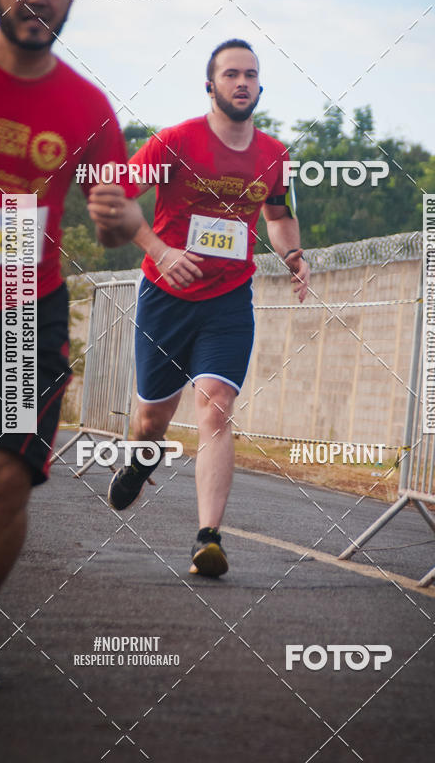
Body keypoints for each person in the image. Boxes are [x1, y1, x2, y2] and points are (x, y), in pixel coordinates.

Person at [0, 0, 142, 688]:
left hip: (27, 312)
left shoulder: (86, 105)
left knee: (10, 475)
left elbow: (114, 215)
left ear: (70, 2)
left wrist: (117, 218)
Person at [90, 39, 310, 578]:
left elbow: (277, 215)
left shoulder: (273, 154)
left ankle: (208, 538)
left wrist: (293, 253)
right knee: (152, 418)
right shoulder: (175, 142)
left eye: (251, 75)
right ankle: (142, 458)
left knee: (214, 407)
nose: (242, 82)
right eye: (231, 74)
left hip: (229, 300)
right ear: (209, 85)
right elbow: (112, 194)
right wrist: (160, 252)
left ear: (261, 87)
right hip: (166, 297)